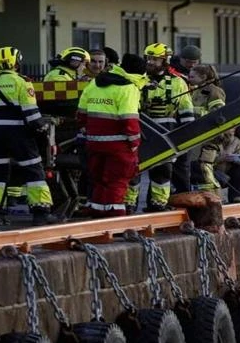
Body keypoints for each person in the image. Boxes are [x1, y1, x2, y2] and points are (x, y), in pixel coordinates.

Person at [0, 47, 55, 225]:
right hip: (18, 135)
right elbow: (31, 115)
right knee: (33, 171)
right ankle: (41, 213)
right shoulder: (22, 82)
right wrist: (42, 128)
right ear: (17, 63)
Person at [126, 43, 192, 212]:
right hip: (141, 129)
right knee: (134, 169)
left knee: (163, 171)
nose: (150, 62)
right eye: (148, 58)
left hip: (168, 130)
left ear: (165, 61)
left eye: (155, 59)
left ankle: (158, 204)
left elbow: (186, 109)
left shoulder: (178, 82)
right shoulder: (137, 80)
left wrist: (188, 132)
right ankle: (129, 204)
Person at [78, 54, 143, 217]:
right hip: (118, 145)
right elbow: (129, 119)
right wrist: (135, 142)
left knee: (98, 180)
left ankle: (98, 214)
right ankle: (116, 220)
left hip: (93, 142)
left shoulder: (94, 83)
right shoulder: (129, 88)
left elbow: (81, 114)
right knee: (117, 182)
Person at [189, 64, 228, 192]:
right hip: (196, 137)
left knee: (205, 168)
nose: (189, 78)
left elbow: (218, 115)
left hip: (209, 138)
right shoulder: (194, 90)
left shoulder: (214, 91)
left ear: (203, 77)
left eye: (192, 76)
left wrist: (192, 112)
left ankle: (214, 198)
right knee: (197, 170)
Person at [210, 124, 240, 203]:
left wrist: (235, 158)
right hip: (214, 174)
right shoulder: (212, 142)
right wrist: (222, 157)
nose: (232, 130)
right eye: (229, 128)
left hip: (229, 176)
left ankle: (237, 197)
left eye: (233, 128)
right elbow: (205, 158)